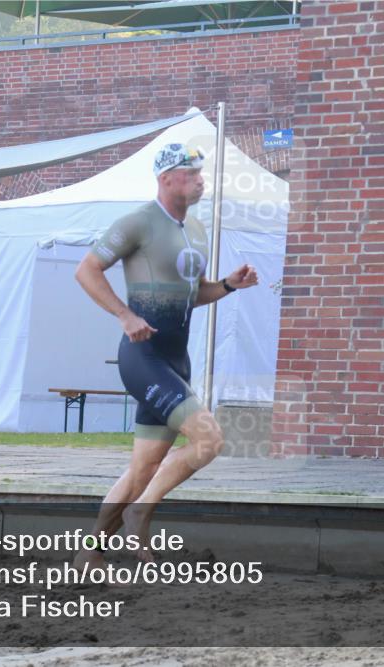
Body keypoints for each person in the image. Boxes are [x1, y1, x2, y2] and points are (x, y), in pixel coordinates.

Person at [73, 143, 258, 570]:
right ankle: (141, 511)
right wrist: (124, 314)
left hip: (176, 360)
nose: (200, 180)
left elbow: (193, 296)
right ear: (167, 178)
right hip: (144, 358)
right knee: (209, 440)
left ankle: (90, 551)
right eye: (192, 173)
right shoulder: (139, 221)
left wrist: (228, 286)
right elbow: (86, 270)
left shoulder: (195, 229)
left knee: (142, 469)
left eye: (200, 173)